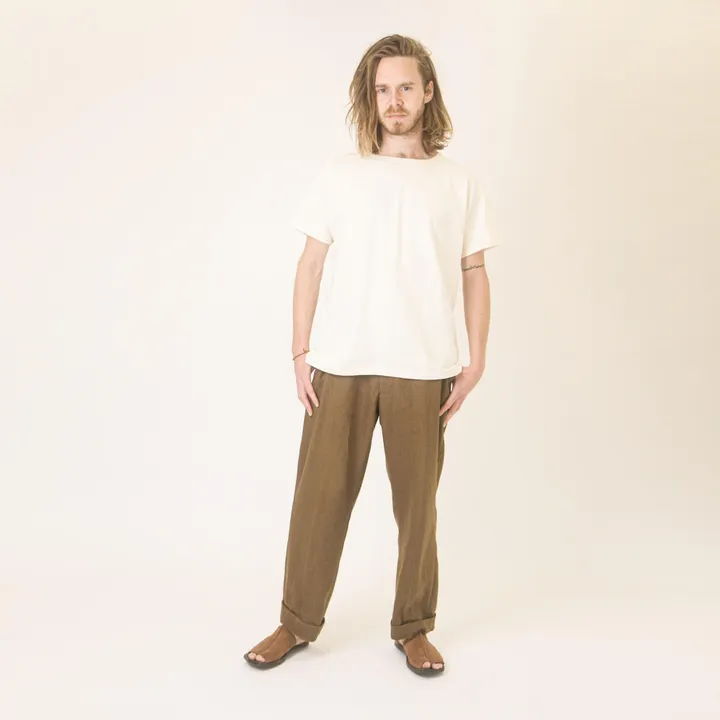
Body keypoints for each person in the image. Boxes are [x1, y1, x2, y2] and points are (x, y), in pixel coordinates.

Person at [244, 34, 499, 677]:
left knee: (418, 511)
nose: (394, 100)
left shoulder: (457, 183)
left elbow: (474, 272)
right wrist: (299, 352)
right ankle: (295, 622)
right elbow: (309, 265)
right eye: (383, 89)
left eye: (406, 87)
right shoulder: (341, 175)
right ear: (371, 96)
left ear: (428, 92)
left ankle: (414, 627)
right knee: (318, 502)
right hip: (341, 365)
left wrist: (476, 360)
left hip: (425, 367)